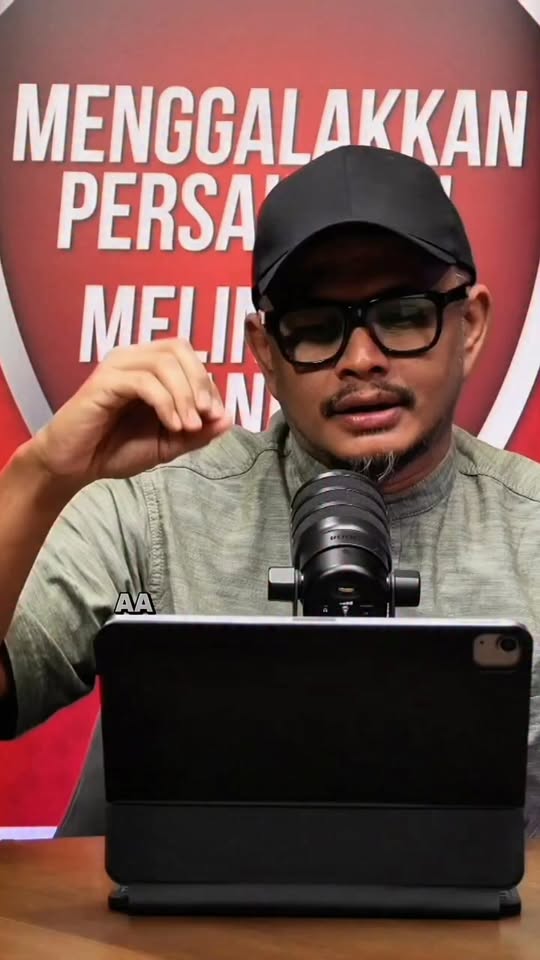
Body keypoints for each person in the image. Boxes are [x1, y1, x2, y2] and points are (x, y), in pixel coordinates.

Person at [0, 145, 539, 837]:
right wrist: (42, 474)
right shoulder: (154, 510)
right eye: (314, 327)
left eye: (405, 315)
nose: (361, 359)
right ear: (266, 353)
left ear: (469, 327)